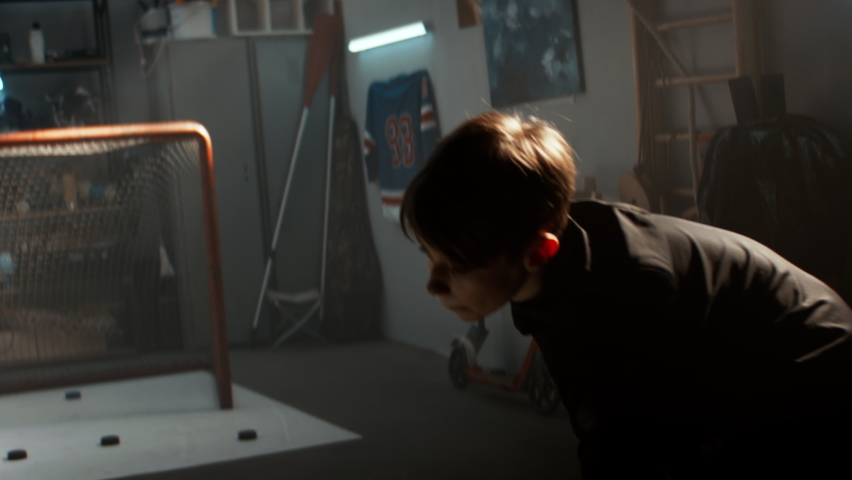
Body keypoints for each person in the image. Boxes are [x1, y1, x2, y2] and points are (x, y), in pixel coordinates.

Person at [400, 111, 852, 479]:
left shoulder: (624, 300)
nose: (433, 284)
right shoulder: (539, 254)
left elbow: (626, 446)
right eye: (429, 255)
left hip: (816, 374)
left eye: (456, 267)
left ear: (539, 251)